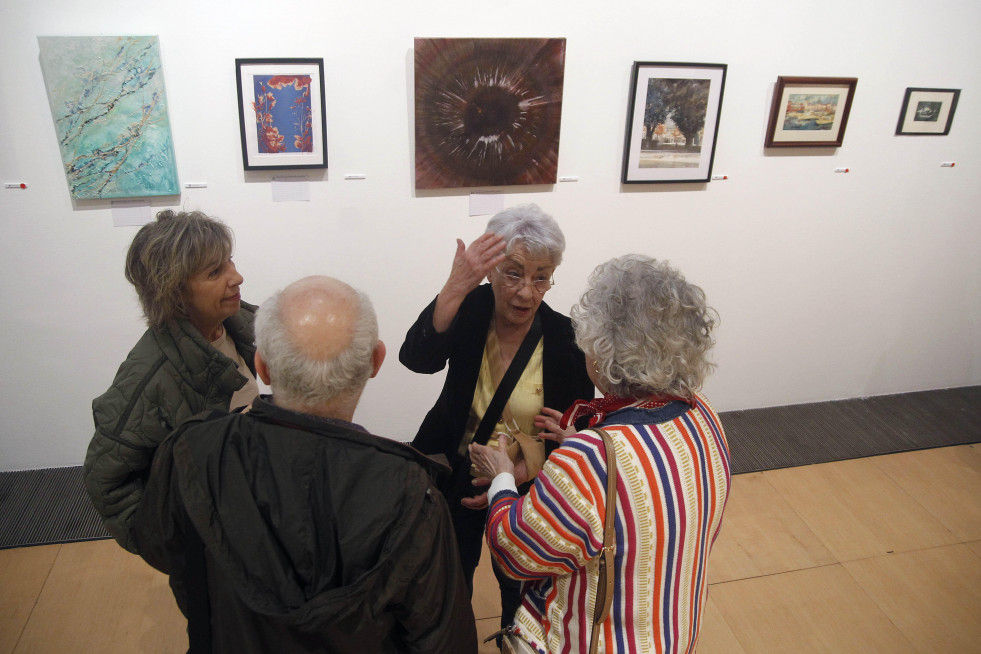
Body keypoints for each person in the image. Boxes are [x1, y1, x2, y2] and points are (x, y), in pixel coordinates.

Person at [134, 276, 478, 653]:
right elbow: (444, 640)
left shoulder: (193, 449)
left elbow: (162, 546)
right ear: (376, 361)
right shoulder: (411, 492)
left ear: (261, 366)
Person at [469, 255, 730, 654]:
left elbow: (515, 551)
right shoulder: (703, 414)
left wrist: (503, 476)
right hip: (672, 633)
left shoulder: (592, 459)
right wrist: (582, 443)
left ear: (604, 350)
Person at [399, 204, 594, 633]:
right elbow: (416, 358)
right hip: (455, 474)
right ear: (489, 271)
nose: (526, 291)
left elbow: (579, 433)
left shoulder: (565, 340)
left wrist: (524, 472)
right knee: (447, 585)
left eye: (541, 276)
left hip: (529, 489)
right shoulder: (469, 309)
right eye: (513, 272)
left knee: (521, 591)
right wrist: (453, 287)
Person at [85, 210, 259, 554]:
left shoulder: (244, 326)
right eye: (215, 271)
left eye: (229, 262)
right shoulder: (148, 378)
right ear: (174, 292)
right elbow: (108, 483)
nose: (237, 277)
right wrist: (180, 551)